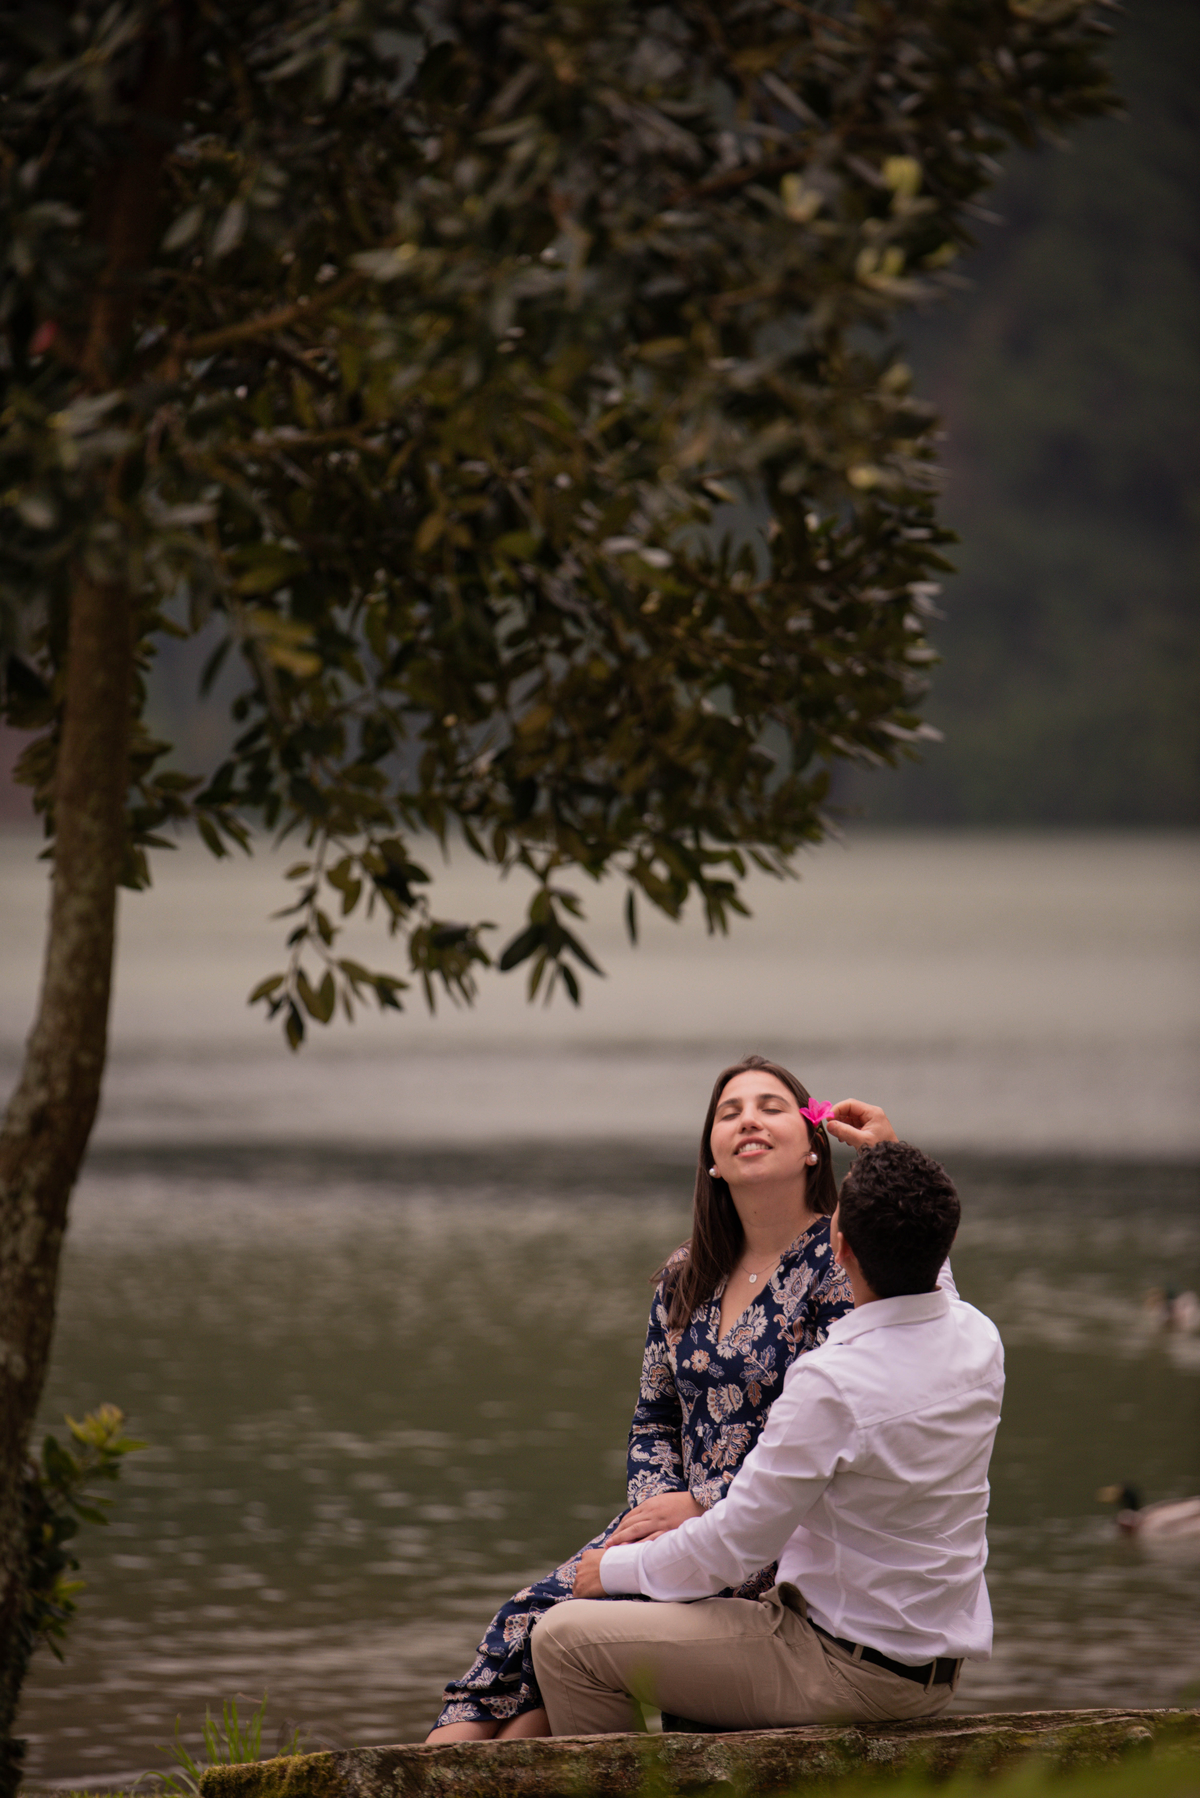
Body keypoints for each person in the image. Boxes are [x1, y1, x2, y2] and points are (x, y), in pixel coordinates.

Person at [426, 1055, 902, 1741]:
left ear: (813, 1148)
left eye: (771, 1108)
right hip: (672, 1526)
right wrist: (659, 1507)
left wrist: (703, 1504)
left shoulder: (841, 1265)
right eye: (730, 1113)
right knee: (523, 1631)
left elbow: (839, 1436)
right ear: (712, 1158)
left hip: (774, 1539)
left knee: (563, 1634)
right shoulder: (686, 1273)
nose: (749, 1121)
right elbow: (654, 1417)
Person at [531, 1141, 1004, 1735]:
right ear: (944, 1242)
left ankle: (629, 1779)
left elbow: (736, 1543)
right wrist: (885, 1150)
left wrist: (614, 1568)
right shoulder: (978, 1340)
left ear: (840, 1250)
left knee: (562, 1640)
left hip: (840, 1669)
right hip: (928, 1671)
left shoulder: (832, 1384)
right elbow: (937, 1282)